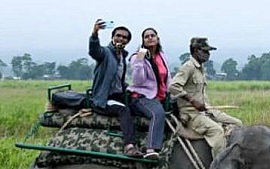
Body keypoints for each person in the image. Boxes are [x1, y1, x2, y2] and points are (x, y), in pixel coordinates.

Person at [170, 37, 243, 156]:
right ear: (195, 50)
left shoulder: (201, 68)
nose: (207, 55)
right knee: (217, 132)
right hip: (191, 114)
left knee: (238, 123)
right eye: (204, 51)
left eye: (208, 52)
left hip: (207, 110)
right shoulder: (188, 67)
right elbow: (173, 86)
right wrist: (192, 101)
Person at [88, 19, 140, 157]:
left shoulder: (122, 56)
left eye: (124, 37)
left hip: (118, 95)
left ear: (127, 41)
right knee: (123, 110)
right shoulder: (105, 53)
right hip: (105, 98)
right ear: (112, 37)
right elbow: (94, 51)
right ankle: (129, 145)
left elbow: (118, 79)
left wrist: (129, 88)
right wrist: (94, 34)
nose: (121, 39)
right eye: (118, 36)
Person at [127, 27, 170, 160]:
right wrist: (140, 59)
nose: (150, 38)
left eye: (153, 35)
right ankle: (151, 148)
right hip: (142, 96)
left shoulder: (161, 56)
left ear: (157, 39)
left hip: (159, 96)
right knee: (157, 113)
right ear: (143, 41)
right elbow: (138, 80)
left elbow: (168, 77)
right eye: (147, 36)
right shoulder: (138, 57)